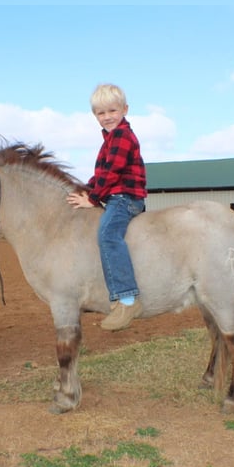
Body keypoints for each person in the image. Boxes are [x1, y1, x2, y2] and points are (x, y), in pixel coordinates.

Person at [67, 84, 147, 331]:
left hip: (125, 199)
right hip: (115, 196)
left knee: (108, 236)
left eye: (112, 110)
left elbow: (111, 174)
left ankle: (127, 298)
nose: (107, 117)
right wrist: (86, 188)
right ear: (95, 116)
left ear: (125, 109)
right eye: (101, 113)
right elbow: (101, 175)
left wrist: (92, 199)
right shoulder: (109, 140)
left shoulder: (122, 136)